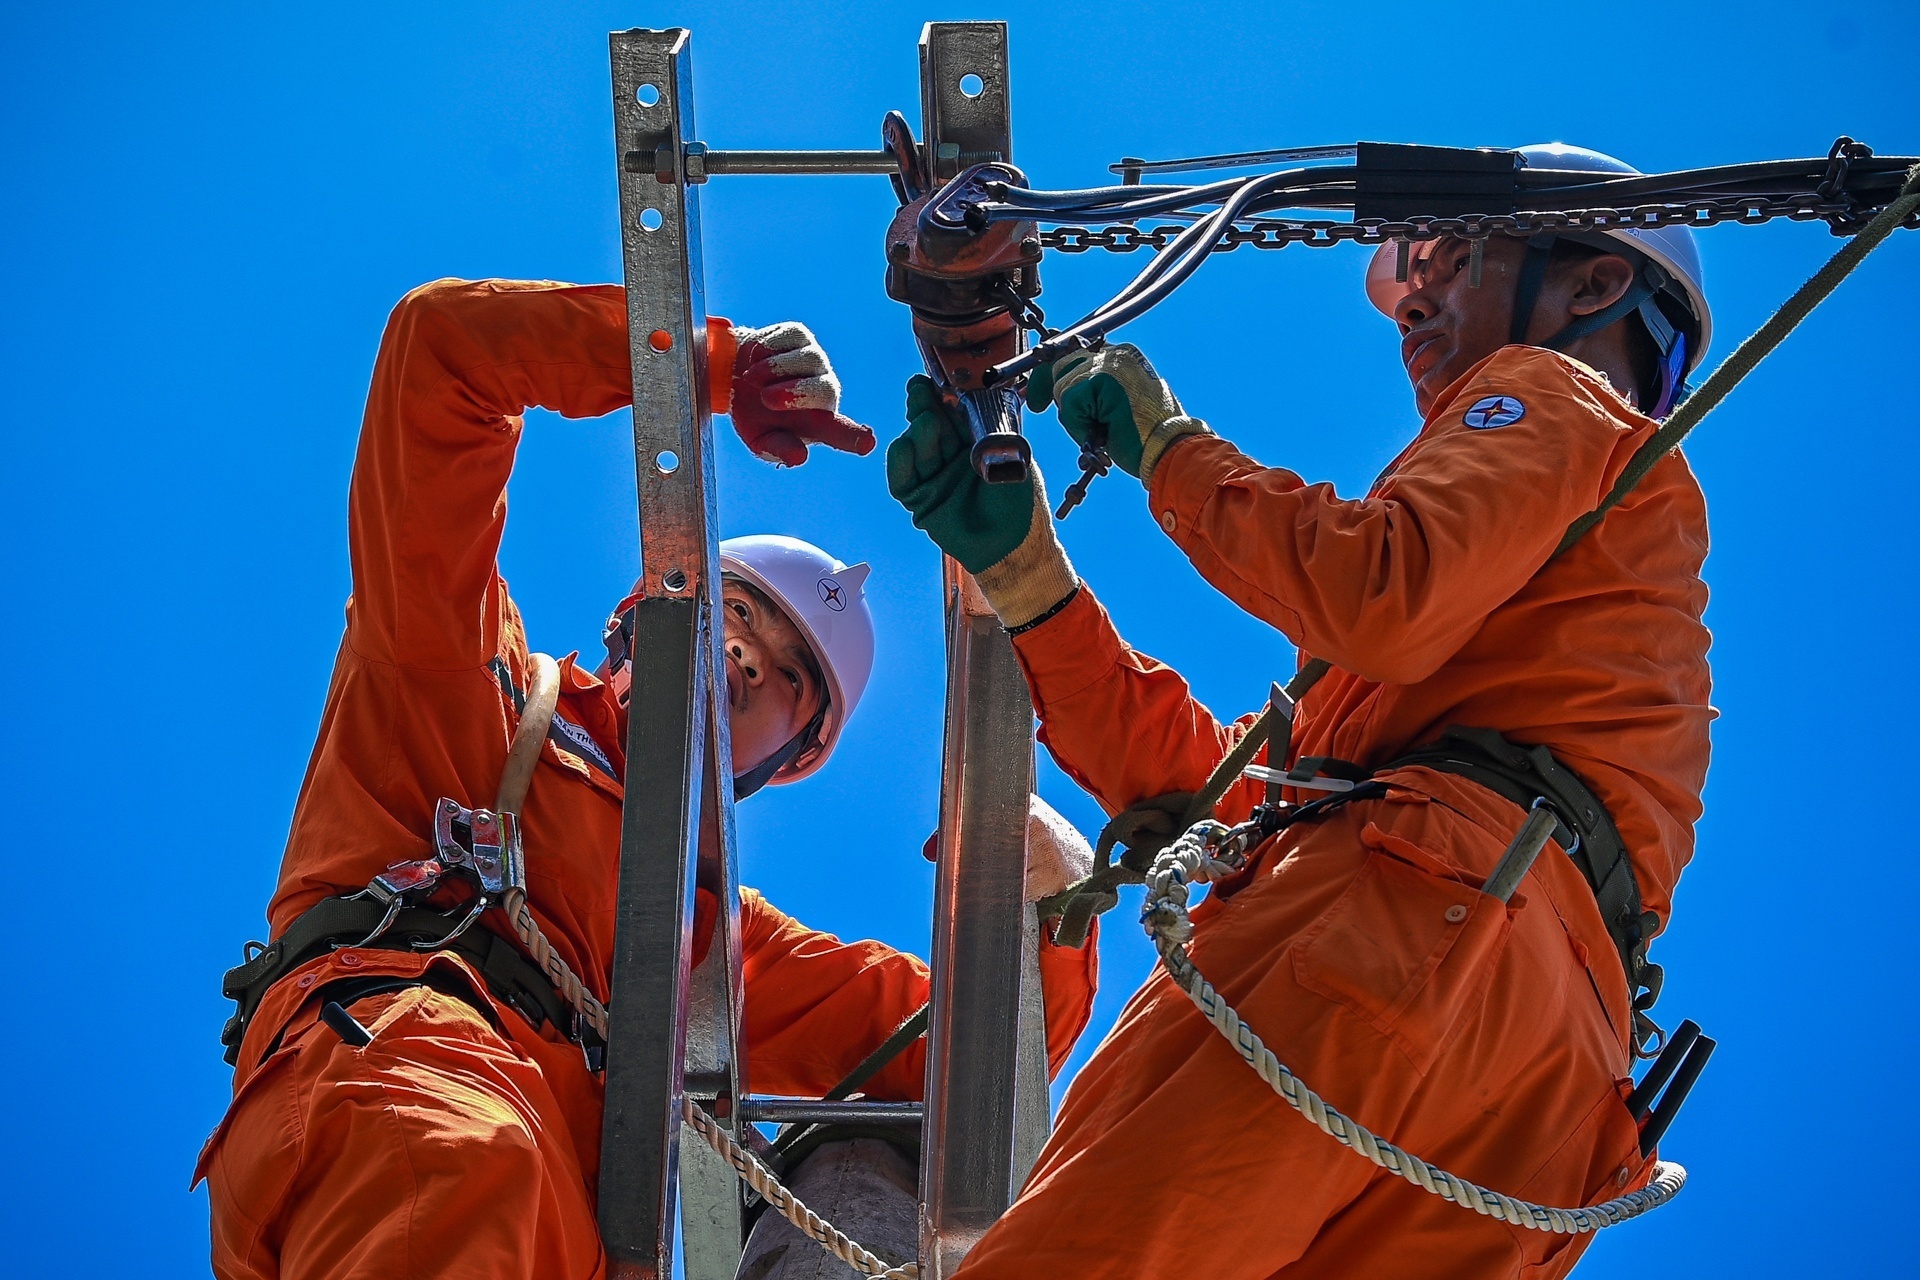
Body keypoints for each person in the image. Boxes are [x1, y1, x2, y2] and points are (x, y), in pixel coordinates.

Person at [887, 144, 1713, 1278]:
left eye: (1453, 255)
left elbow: (1378, 586)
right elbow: (1216, 795)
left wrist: (1169, 448)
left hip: (1413, 932)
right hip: (1550, 1084)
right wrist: (1032, 579)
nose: (1411, 296)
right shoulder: (1523, 628)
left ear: (1593, 285)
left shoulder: (1557, 397)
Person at [196, 278, 1098, 1280]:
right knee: (473, 1158)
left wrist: (1055, 907)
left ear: (786, 763)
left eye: (794, 679)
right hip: (410, 1089)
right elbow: (440, 350)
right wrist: (708, 365)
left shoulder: (719, 941)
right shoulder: (466, 680)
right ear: (636, 618)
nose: (754, 658)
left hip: (544, 1201)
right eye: (741, 612)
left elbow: (975, 1057)